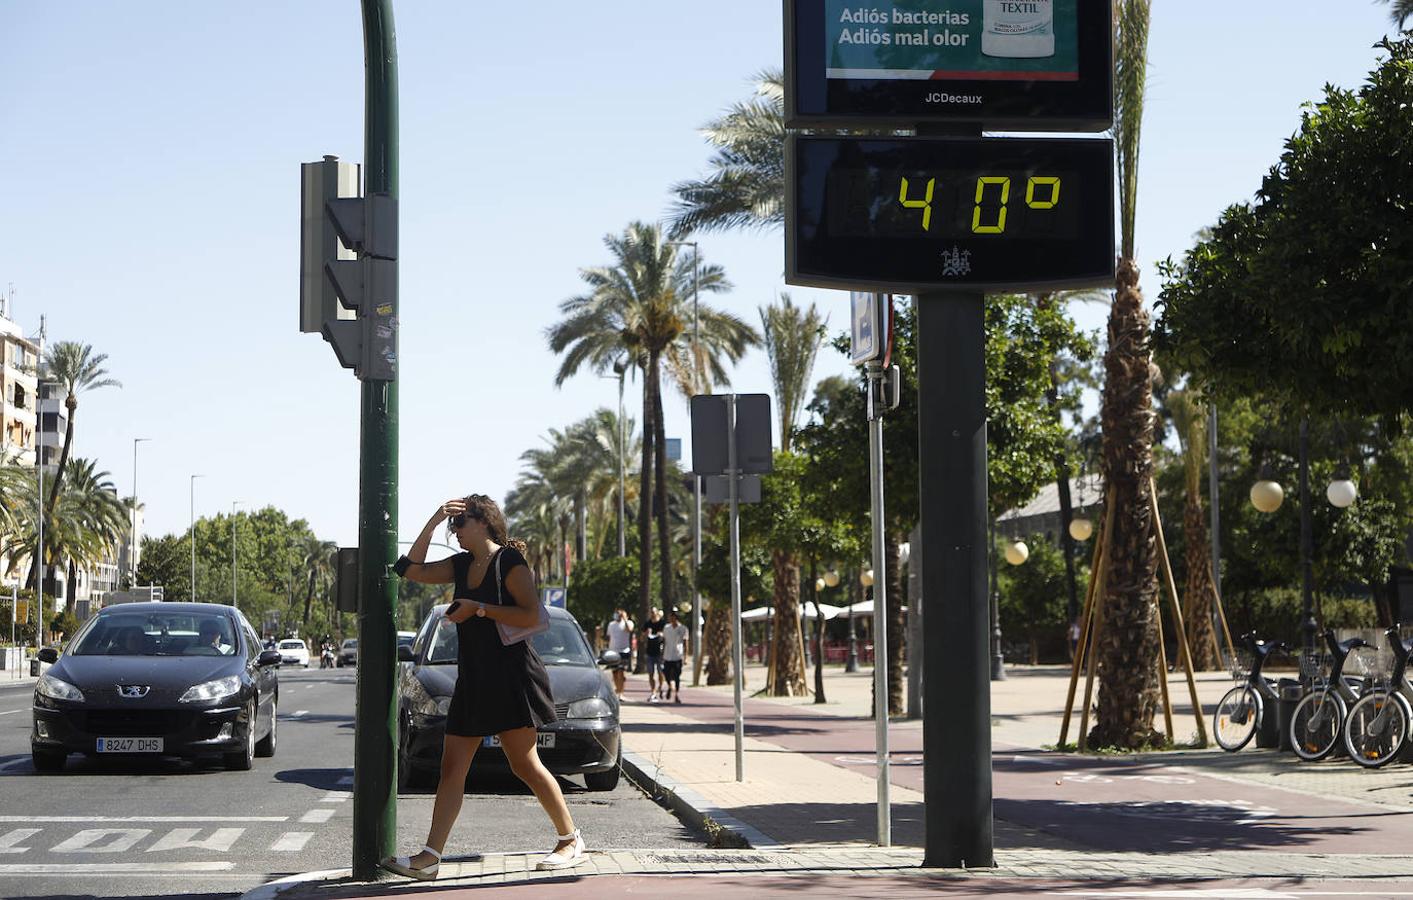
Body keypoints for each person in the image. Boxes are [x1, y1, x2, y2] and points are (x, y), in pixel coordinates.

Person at [382, 494, 584, 880]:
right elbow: (408, 568)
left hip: (512, 676)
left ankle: (570, 839)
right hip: (473, 678)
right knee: (451, 768)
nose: (454, 531)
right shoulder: (461, 564)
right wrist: (434, 516)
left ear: (483, 522)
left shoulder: (509, 562)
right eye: (451, 525)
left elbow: (531, 613)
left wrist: (479, 608)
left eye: (459, 523)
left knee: (524, 764)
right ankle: (430, 856)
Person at [660, 609, 689, 704]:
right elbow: (664, 641)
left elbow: (685, 643)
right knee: (667, 674)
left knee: (677, 676)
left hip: (677, 655)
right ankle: (670, 686)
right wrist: (662, 653)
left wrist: (685, 656)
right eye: (670, 617)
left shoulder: (683, 628)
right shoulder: (666, 628)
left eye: (673, 617)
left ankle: (676, 694)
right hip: (668, 655)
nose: (671, 619)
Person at [606, 608, 633, 699]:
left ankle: (621, 693)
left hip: (624, 651)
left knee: (621, 672)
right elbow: (609, 637)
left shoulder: (628, 623)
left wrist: (625, 619)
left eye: (620, 614)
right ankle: (618, 690)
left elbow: (629, 629)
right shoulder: (611, 625)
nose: (618, 615)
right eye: (617, 613)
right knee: (615, 672)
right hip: (613, 651)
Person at [643, 607, 665, 701]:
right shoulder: (647, 624)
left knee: (660, 672)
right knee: (651, 673)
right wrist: (645, 635)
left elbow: (666, 636)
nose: (652, 614)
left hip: (660, 652)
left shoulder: (662, 623)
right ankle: (653, 691)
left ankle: (660, 686)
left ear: (657, 613)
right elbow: (641, 638)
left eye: (654, 612)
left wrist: (662, 635)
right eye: (651, 612)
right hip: (649, 652)